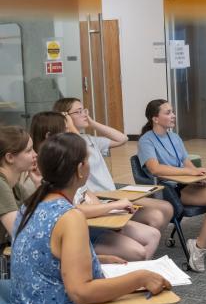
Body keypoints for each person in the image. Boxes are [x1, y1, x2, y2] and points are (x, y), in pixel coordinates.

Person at [10, 133, 179, 304]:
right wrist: (139, 277)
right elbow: (81, 292)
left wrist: (96, 259)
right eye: (88, 160)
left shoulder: (30, 206)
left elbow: (47, 259)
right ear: (80, 169)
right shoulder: (70, 217)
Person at [30, 111, 161, 262]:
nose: (72, 133)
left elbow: (84, 195)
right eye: (67, 129)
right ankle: (131, 276)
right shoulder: (47, 170)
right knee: (137, 251)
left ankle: (137, 276)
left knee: (153, 234)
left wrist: (109, 211)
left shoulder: (65, 162)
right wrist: (111, 208)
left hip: (88, 221)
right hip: (77, 230)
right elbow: (69, 210)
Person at [139, 99, 206, 271]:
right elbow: (155, 169)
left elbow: (186, 162)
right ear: (155, 118)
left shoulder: (174, 137)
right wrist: (190, 173)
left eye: (172, 111)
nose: (173, 115)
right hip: (173, 188)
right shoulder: (146, 140)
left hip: (190, 181)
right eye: (168, 113)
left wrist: (198, 175)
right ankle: (198, 246)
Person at [53, 98, 174, 239]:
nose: (84, 114)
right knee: (157, 217)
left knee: (166, 207)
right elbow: (79, 148)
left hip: (113, 194)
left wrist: (92, 123)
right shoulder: (66, 146)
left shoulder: (90, 139)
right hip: (100, 199)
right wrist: (68, 124)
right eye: (78, 112)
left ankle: (138, 242)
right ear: (65, 117)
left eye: (84, 110)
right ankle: (133, 241)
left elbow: (122, 138)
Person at [0, 126, 37, 247]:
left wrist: (39, 184)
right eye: (29, 150)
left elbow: (38, 215)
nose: (35, 154)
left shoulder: (15, 185)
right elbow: (19, 232)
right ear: (10, 158)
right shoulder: (1, 185)